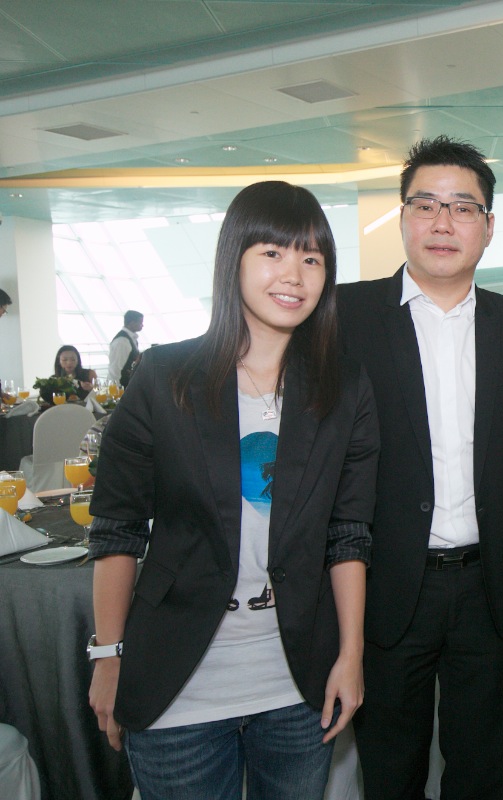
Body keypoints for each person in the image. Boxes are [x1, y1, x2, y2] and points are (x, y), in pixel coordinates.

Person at [86, 180, 380, 799]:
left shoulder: (343, 388)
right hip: (178, 687)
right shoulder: (166, 377)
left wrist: (350, 655)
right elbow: (117, 527)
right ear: (233, 261)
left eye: (311, 258)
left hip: (296, 685)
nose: (293, 274)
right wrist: (108, 655)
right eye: (272, 252)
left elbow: (348, 534)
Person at [338, 136, 503, 800]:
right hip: (383, 586)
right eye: (426, 205)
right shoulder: (347, 318)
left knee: (480, 770)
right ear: (402, 218)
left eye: (463, 208)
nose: (443, 223)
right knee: (390, 772)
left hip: (486, 589)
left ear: (488, 227)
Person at [108, 310, 144, 388]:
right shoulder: (122, 341)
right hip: (122, 385)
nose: (142, 325)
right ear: (132, 323)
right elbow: (116, 368)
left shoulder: (131, 339)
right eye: (140, 323)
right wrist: (115, 389)